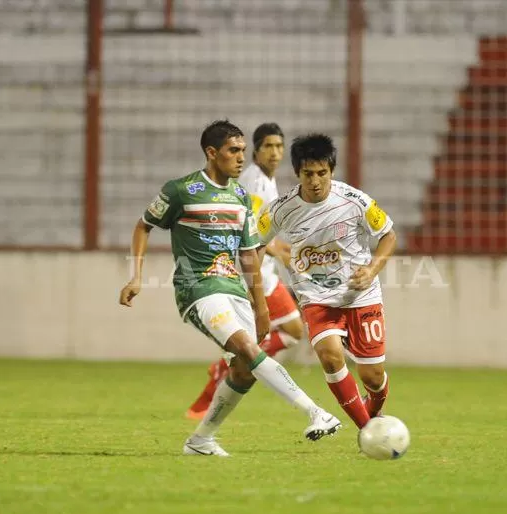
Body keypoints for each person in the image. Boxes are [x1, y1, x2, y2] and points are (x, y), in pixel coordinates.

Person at [119, 120, 342, 457]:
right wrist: (135, 276)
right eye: (233, 151)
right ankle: (316, 413)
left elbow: (249, 254)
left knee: (244, 369)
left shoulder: (239, 195)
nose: (241, 157)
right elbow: (143, 225)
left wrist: (261, 305)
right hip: (198, 289)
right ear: (212, 153)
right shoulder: (181, 191)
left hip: (234, 288)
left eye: (241, 150)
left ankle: (201, 440)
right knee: (249, 351)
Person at [257, 133, 397, 430]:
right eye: (308, 174)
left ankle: (373, 412)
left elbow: (388, 235)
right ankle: (367, 431)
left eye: (322, 173)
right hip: (316, 298)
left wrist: (372, 269)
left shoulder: (354, 200)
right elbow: (254, 243)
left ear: (332, 171)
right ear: (298, 174)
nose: (316, 181)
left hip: (360, 296)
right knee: (331, 358)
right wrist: (253, 292)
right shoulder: (282, 209)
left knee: (372, 377)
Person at [185, 122, 306, 420]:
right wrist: (281, 253)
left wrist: (287, 252)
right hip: (255, 276)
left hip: (265, 273)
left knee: (279, 334)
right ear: (256, 150)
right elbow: (247, 231)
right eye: (269, 146)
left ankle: (224, 372)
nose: (275, 153)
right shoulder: (253, 183)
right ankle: (223, 373)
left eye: (279, 146)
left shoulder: (266, 180)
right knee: (291, 331)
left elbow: (263, 228)